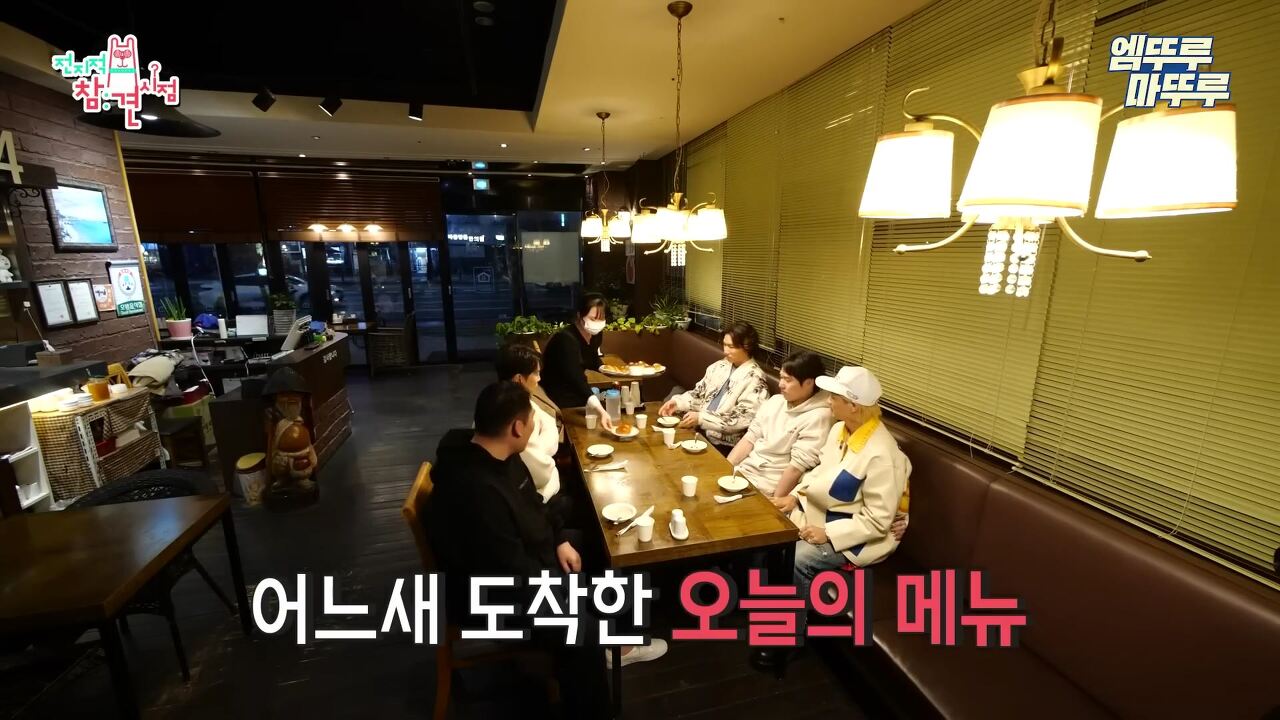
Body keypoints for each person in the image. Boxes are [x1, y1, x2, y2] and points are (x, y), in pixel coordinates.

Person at [426, 381, 609, 717]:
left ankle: (585, 657)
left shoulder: (499, 456)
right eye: (533, 423)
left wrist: (558, 539)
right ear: (517, 427)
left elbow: (534, 505)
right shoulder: (476, 489)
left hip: (522, 564)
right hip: (488, 595)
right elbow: (509, 574)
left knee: (589, 544)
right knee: (586, 632)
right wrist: (561, 589)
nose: (534, 429)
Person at [771, 366, 912, 598]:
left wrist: (828, 533)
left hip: (860, 538)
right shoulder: (839, 429)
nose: (828, 401)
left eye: (833, 397)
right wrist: (794, 496)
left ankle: (797, 620)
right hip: (820, 514)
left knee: (798, 559)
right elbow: (820, 471)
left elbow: (878, 521)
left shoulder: (883, 455)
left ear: (853, 406)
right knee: (770, 528)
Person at [726, 350, 833, 498]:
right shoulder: (776, 401)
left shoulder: (819, 416)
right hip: (743, 472)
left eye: (788, 380)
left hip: (768, 485)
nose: (781, 384)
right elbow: (749, 439)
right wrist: (724, 470)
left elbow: (796, 468)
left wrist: (774, 502)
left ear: (809, 383)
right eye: (781, 377)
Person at [658, 321, 770, 450]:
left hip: (724, 444)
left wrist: (702, 418)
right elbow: (698, 394)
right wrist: (678, 403)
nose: (725, 351)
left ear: (747, 346)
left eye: (731, 346)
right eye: (724, 345)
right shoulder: (720, 366)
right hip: (699, 431)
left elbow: (742, 419)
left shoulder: (756, 379)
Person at [495, 343, 562, 502]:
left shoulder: (498, 397)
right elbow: (542, 475)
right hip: (525, 500)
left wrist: (539, 451)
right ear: (519, 379)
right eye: (536, 373)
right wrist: (546, 460)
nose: (539, 378)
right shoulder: (515, 413)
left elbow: (548, 422)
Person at [540, 292, 613, 430]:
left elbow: (592, 358)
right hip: (558, 397)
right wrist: (600, 410)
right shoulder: (565, 340)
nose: (597, 323)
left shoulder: (595, 335)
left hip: (577, 394)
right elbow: (576, 378)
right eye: (593, 318)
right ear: (579, 315)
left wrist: (607, 370)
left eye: (601, 318)